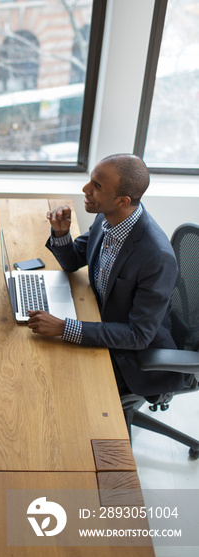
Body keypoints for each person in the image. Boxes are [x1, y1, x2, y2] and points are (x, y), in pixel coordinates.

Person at [28, 153, 188, 398]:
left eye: (97, 186)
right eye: (91, 181)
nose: (85, 189)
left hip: (132, 360)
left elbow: (138, 335)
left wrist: (64, 327)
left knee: (53, 389)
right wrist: (61, 233)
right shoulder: (108, 217)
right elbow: (74, 261)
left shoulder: (156, 257)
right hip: (101, 321)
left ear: (122, 200)